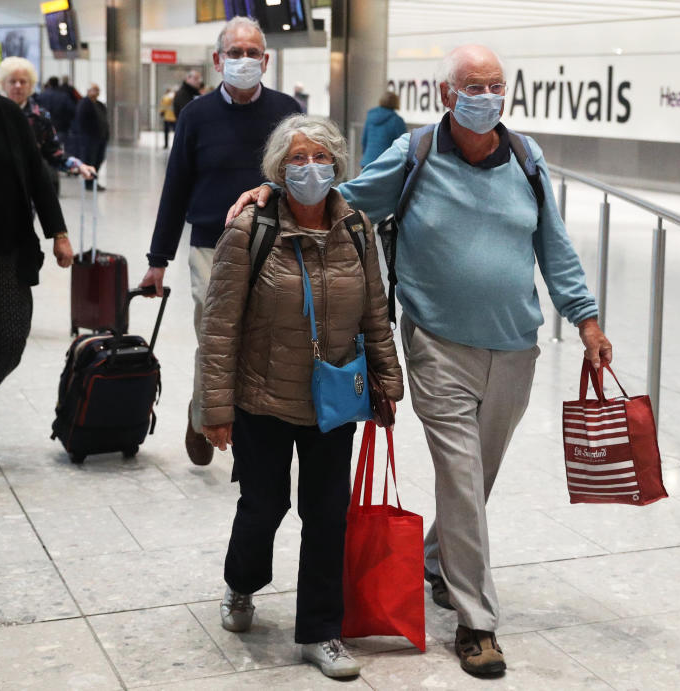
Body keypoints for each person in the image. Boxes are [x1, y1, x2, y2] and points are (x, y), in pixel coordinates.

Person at [226, 44, 613, 676]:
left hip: (516, 347)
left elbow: (555, 246)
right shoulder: (417, 153)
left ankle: (437, 559)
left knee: (476, 479)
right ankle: (476, 622)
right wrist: (271, 192)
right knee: (461, 477)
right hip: (437, 345)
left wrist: (588, 321)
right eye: (473, 86)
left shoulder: (525, 158)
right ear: (446, 95)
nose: (487, 97)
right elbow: (337, 200)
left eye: (496, 86)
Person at [201, 114, 402, 679]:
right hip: (262, 399)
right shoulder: (251, 229)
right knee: (263, 505)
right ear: (278, 169)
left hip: (334, 400)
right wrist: (214, 409)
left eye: (319, 157)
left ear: (336, 164)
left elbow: (375, 313)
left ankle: (321, 631)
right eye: (297, 158)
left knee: (327, 515)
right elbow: (220, 327)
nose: (309, 168)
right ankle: (241, 584)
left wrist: (388, 381)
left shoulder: (356, 228)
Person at [139, 16, 302, 467]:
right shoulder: (195, 115)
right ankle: (202, 412)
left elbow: (302, 177)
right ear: (217, 60)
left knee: (264, 339)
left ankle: (252, 426)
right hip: (212, 244)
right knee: (214, 337)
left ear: (266, 60)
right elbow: (175, 190)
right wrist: (158, 259)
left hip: (275, 244)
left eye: (252, 53)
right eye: (235, 52)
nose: (244, 60)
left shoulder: (288, 112)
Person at [0, 34, 74, 478]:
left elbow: (37, 177)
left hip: (9, 253)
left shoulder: (11, 116)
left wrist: (58, 233)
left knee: (9, 344)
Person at [0, 56, 96, 195]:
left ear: (30, 85)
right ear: (3, 84)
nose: (18, 86)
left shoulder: (40, 117)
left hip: (26, 191)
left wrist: (79, 166)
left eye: (23, 81)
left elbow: (54, 153)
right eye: (12, 81)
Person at [72, 84, 109, 191]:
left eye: (97, 90)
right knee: (90, 160)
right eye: (94, 90)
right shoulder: (84, 104)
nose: (96, 92)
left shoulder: (100, 105)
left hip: (101, 138)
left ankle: (93, 181)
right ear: (88, 91)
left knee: (99, 159)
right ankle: (89, 183)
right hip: (89, 139)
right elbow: (80, 121)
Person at [360, 90, 406, 168]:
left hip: (367, 163)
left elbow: (364, 140)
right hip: (385, 164)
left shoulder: (370, 117)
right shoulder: (396, 120)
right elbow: (403, 144)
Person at [34, 75, 75, 142]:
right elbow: (72, 110)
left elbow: (35, 110)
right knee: (59, 148)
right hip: (61, 127)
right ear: (58, 83)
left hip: (44, 127)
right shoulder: (64, 96)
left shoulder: (42, 95)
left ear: (49, 83)